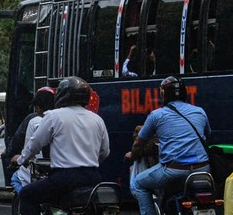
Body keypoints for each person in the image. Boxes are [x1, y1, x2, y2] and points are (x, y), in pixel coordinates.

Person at [13, 76, 109, 215]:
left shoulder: (54, 116)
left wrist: (21, 159)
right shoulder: (97, 119)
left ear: (63, 95)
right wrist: (89, 162)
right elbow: (105, 151)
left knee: (27, 194)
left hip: (64, 179)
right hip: (92, 177)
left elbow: (35, 144)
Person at [127, 76, 210, 215]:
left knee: (139, 183)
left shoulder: (156, 115)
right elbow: (207, 136)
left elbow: (138, 144)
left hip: (174, 170)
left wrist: (132, 155)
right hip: (203, 169)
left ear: (163, 94)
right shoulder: (200, 111)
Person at [7, 87, 55, 194]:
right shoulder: (63, 120)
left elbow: (31, 146)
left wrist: (19, 158)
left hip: (39, 169)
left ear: (38, 107)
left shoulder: (34, 121)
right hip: (61, 170)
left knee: (16, 180)